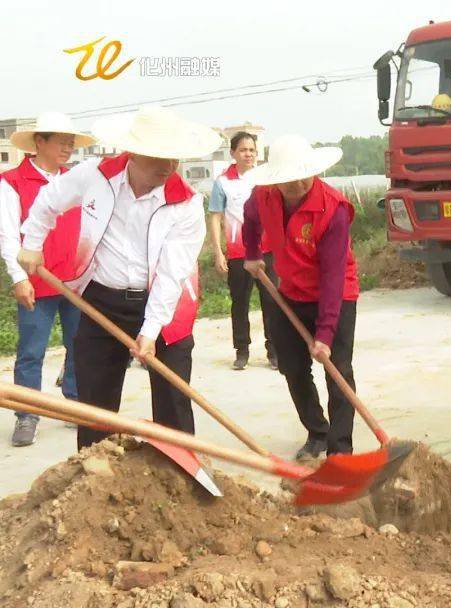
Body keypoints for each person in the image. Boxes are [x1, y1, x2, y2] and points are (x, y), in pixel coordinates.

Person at [17, 106, 217, 449]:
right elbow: (48, 201)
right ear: (134, 152)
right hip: (100, 300)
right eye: (160, 156)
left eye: (175, 158)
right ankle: (93, 472)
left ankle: (182, 476)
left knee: (173, 397)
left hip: (165, 308)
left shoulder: (187, 204)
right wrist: (32, 244)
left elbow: (171, 275)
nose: (169, 166)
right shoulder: (95, 175)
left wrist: (150, 331)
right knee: (96, 401)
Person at [241, 135, 359, 460]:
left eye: (303, 175)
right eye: (288, 179)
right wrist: (252, 253)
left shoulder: (332, 209)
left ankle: (340, 451)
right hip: (291, 292)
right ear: (275, 180)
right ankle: (317, 433)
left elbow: (333, 277)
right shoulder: (262, 197)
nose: (297, 184)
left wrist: (324, 335)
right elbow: (249, 220)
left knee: (338, 370)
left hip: (335, 296)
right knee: (292, 366)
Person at [0, 112, 94, 446]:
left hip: (74, 280)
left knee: (79, 346)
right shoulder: (12, 182)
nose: (68, 148)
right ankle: (27, 414)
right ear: (40, 142)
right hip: (36, 282)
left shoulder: (74, 182)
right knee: (31, 351)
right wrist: (18, 278)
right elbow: (9, 236)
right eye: (62, 142)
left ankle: (75, 401)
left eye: (71, 143)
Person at [208, 131, 278, 371]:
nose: (248, 154)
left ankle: (274, 351)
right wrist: (218, 251)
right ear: (233, 153)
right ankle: (242, 350)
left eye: (252, 150)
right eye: (243, 150)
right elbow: (216, 216)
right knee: (240, 303)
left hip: (267, 250)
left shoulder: (266, 178)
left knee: (272, 301)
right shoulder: (222, 182)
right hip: (238, 253)